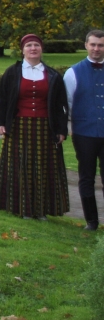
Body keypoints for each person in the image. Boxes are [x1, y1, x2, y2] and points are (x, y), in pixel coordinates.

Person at [0, 33, 70, 219]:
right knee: (21, 166)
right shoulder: (12, 72)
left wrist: (61, 130)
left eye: (36, 45)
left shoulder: (52, 75)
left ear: (41, 49)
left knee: (43, 167)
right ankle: (22, 208)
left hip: (46, 127)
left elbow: (61, 105)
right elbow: (1, 100)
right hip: (19, 126)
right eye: (29, 46)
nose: (33, 48)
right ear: (22, 50)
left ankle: (41, 209)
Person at [63, 29, 104, 230]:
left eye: (101, 45)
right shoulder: (72, 72)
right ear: (86, 45)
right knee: (86, 177)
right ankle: (92, 221)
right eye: (93, 44)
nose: (97, 48)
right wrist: (71, 127)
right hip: (84, 133)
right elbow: (67, 104)